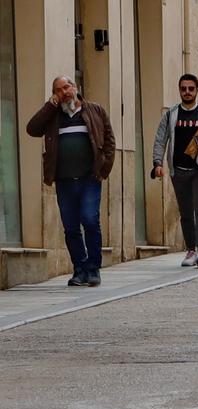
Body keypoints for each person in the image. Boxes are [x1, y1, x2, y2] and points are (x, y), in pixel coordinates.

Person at [25, 76, 114, 287]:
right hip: (64, 181)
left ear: (75, 87)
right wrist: (50, 104)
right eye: (58, 90)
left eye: (66, 87)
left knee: (90, 220)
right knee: (71, 227)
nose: (64, 92)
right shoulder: (53, 116)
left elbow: (109, 140)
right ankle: (80, 269)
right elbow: (32, 129)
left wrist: (103, 169)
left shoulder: (95, 110)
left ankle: (93, 269)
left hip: (90, 179)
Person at [152, 73, 198, 268]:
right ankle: (190, 250)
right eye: (184, 89)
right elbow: (160, 139)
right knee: (185, 212)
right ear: (179, 90)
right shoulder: (171, 114)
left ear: (197, 90)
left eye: (191, 89)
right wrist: (157, 163)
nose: (187, 92)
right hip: (179, 170)